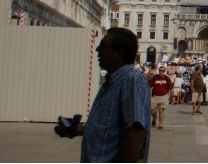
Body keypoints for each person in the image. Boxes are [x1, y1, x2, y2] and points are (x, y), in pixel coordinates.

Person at [54, 27, 151, 163]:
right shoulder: (112, 82)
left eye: (103, 46)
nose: (97, 50)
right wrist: (80, 130)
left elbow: (136, 131)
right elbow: (109, 126)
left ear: (119, 53)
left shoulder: (132, 80)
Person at [148, 65, 172, 130]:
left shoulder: (167, 78)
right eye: (160, 70)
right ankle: (154, 118)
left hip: (164, 97)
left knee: (161, 111)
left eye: (162, 71)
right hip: (154, 97)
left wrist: (172, 96)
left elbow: (170, 88)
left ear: (165, 71)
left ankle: (161, 124)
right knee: (152, 110)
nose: (161, 72)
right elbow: (149, 86)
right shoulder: (155, 78)